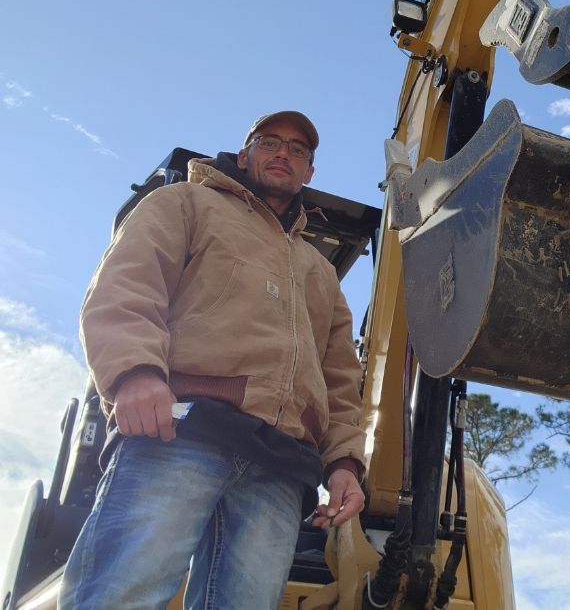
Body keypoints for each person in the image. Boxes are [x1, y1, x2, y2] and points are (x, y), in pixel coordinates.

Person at [60, 111, 366, 610]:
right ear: (244, 156)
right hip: (182, 431)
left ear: (309, 172)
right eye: (270, 142)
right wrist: (136, 373)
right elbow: (128, 283)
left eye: (298, 150)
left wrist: (344, 463)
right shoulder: (186, 203)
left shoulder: (319, 271)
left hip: (281, 465)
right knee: (122, 595)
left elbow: (340, 379)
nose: (283, 153)